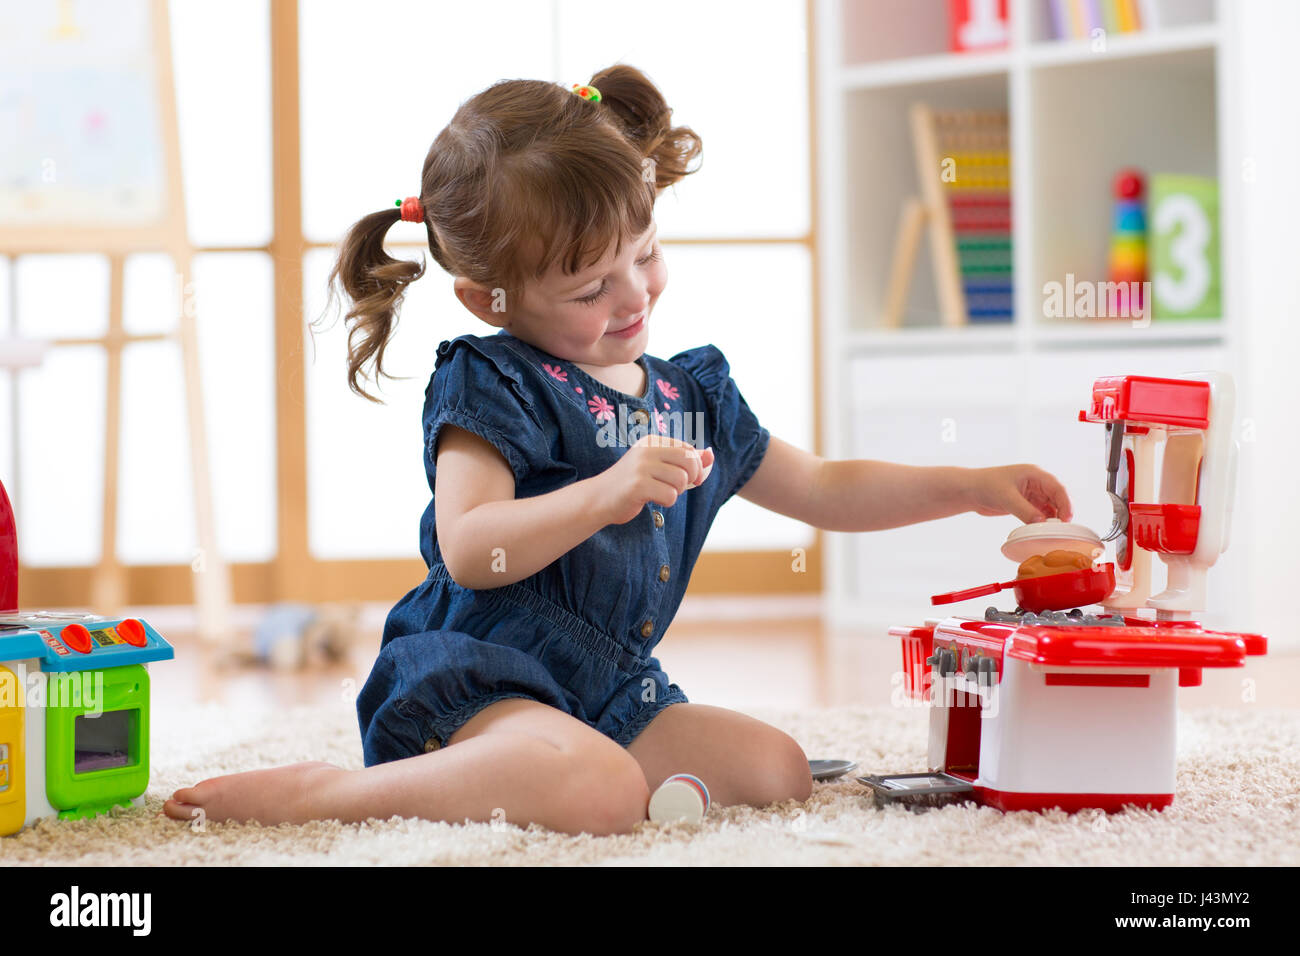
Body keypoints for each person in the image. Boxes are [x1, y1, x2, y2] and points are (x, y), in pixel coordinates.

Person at [164, 65, 1071, 835]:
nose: (634, 295)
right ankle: (339, 797)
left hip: (609, 690)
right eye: (592, 285)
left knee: (777, 768)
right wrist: (604, 493)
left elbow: (826, 487)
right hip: (476, 682)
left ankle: (589, 783)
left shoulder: (690, 394)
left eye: (646, 252)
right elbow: (469, 547)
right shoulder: (494, 382)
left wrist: (972, 484)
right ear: (491, 299)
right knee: (595, 789)